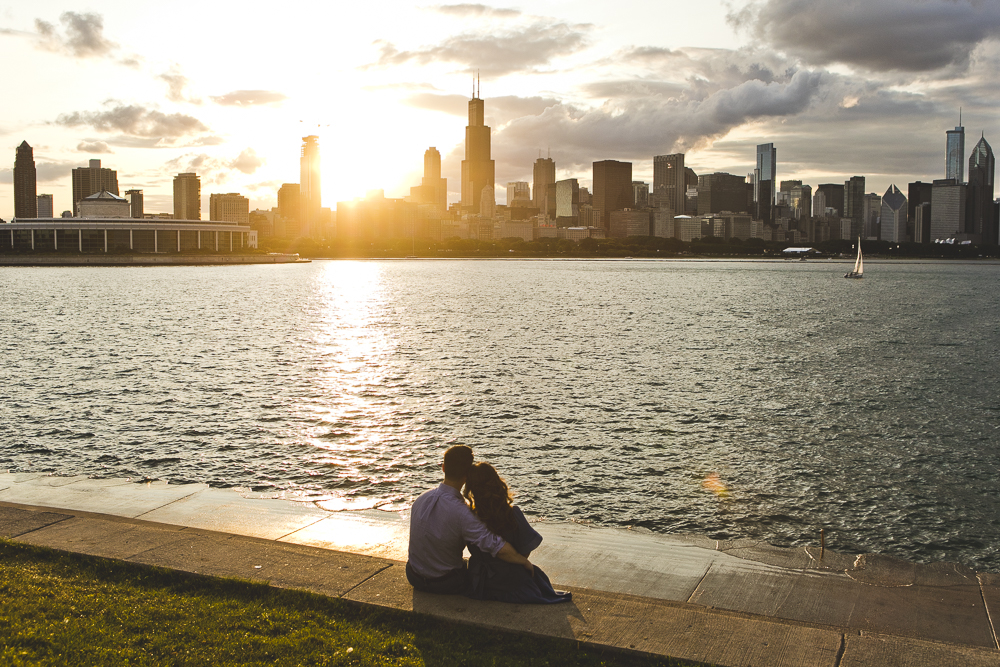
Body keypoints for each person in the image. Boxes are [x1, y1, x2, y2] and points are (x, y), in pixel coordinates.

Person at [406, 445, 534, 595]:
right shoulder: (462, 512)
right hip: (444, 583)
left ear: (443, 467)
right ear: (467, 474)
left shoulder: (421, 499)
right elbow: (496, 547)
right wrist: (523, 561)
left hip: (413, 576)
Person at [463, 462, 572, 604]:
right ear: (496, 482)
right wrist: (521, 561)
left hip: (479, 581)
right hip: (509, 580)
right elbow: (526, 547)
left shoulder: (468, 517)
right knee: (535, 575)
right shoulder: (512, 514)